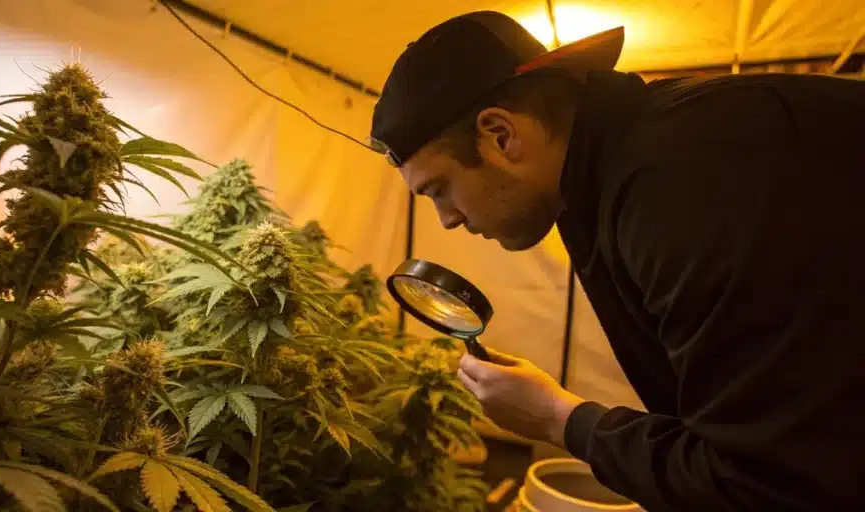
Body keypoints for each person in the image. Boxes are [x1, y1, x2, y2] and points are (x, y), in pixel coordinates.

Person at [369, 10, 865, 512]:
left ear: (500, 135)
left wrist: (559, 420)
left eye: (439, 189)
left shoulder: (686, 185)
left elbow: (769, 485)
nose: (447, 219)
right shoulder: (619, 172)